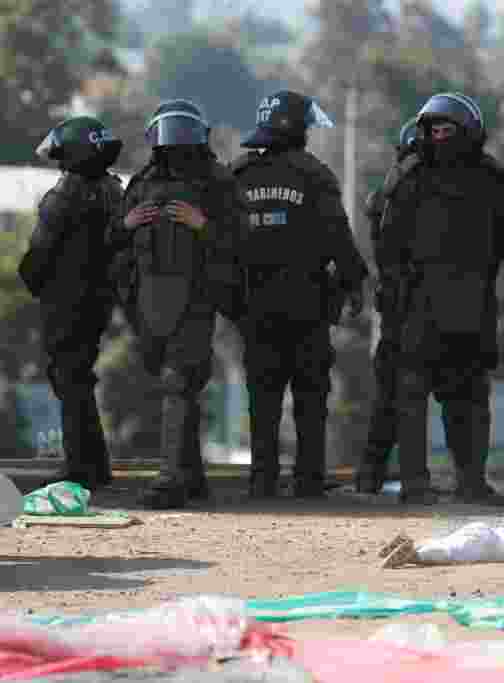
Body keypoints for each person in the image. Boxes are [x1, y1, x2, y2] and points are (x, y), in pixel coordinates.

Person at [109, 99, 248, 509]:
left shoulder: (218, 182)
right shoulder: (140, 184)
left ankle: (170, 481)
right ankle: (191, 478)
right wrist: (126, 224)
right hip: (147, 300)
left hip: (197, 297)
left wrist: (203, 225)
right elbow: (110, 246)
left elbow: (244, 241)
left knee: (179, 383)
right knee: (171, 383)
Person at [231, 90, 368, 498]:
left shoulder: (237, 175)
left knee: (263, 394)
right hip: (307, 304)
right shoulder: (315, 175)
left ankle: (263, 479)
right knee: (310, 394)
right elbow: (337, 237)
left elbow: (221, 244)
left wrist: (231, 302)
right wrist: (354, 282)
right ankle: (308, 479)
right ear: (295, 128)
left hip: (254, 306)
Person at [375, 93, 504, 505]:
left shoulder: (412, 175)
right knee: (446, 394)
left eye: (445, 129)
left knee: (452, 394)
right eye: (434, 130)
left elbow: (387, 241)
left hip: (444, 301)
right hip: (450, 300)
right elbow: (501, 242)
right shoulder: (489, 176)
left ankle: (442, 483)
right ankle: (452, 482)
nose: (439, 137)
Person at [19, 116, 124, 490]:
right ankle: (95, 464)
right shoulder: (114, 190)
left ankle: (81, 467)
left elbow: (39, 255)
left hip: (65, 302)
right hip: (99, 301)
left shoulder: (64, 195)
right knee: (80, 378)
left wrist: (32, 281)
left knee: (69, 381)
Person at [355, 117, 425, 495]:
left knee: (389, 396)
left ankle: (370, 474)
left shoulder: (388, 189)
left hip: (396, 307)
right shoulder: (407, 188)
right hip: (416, 304)